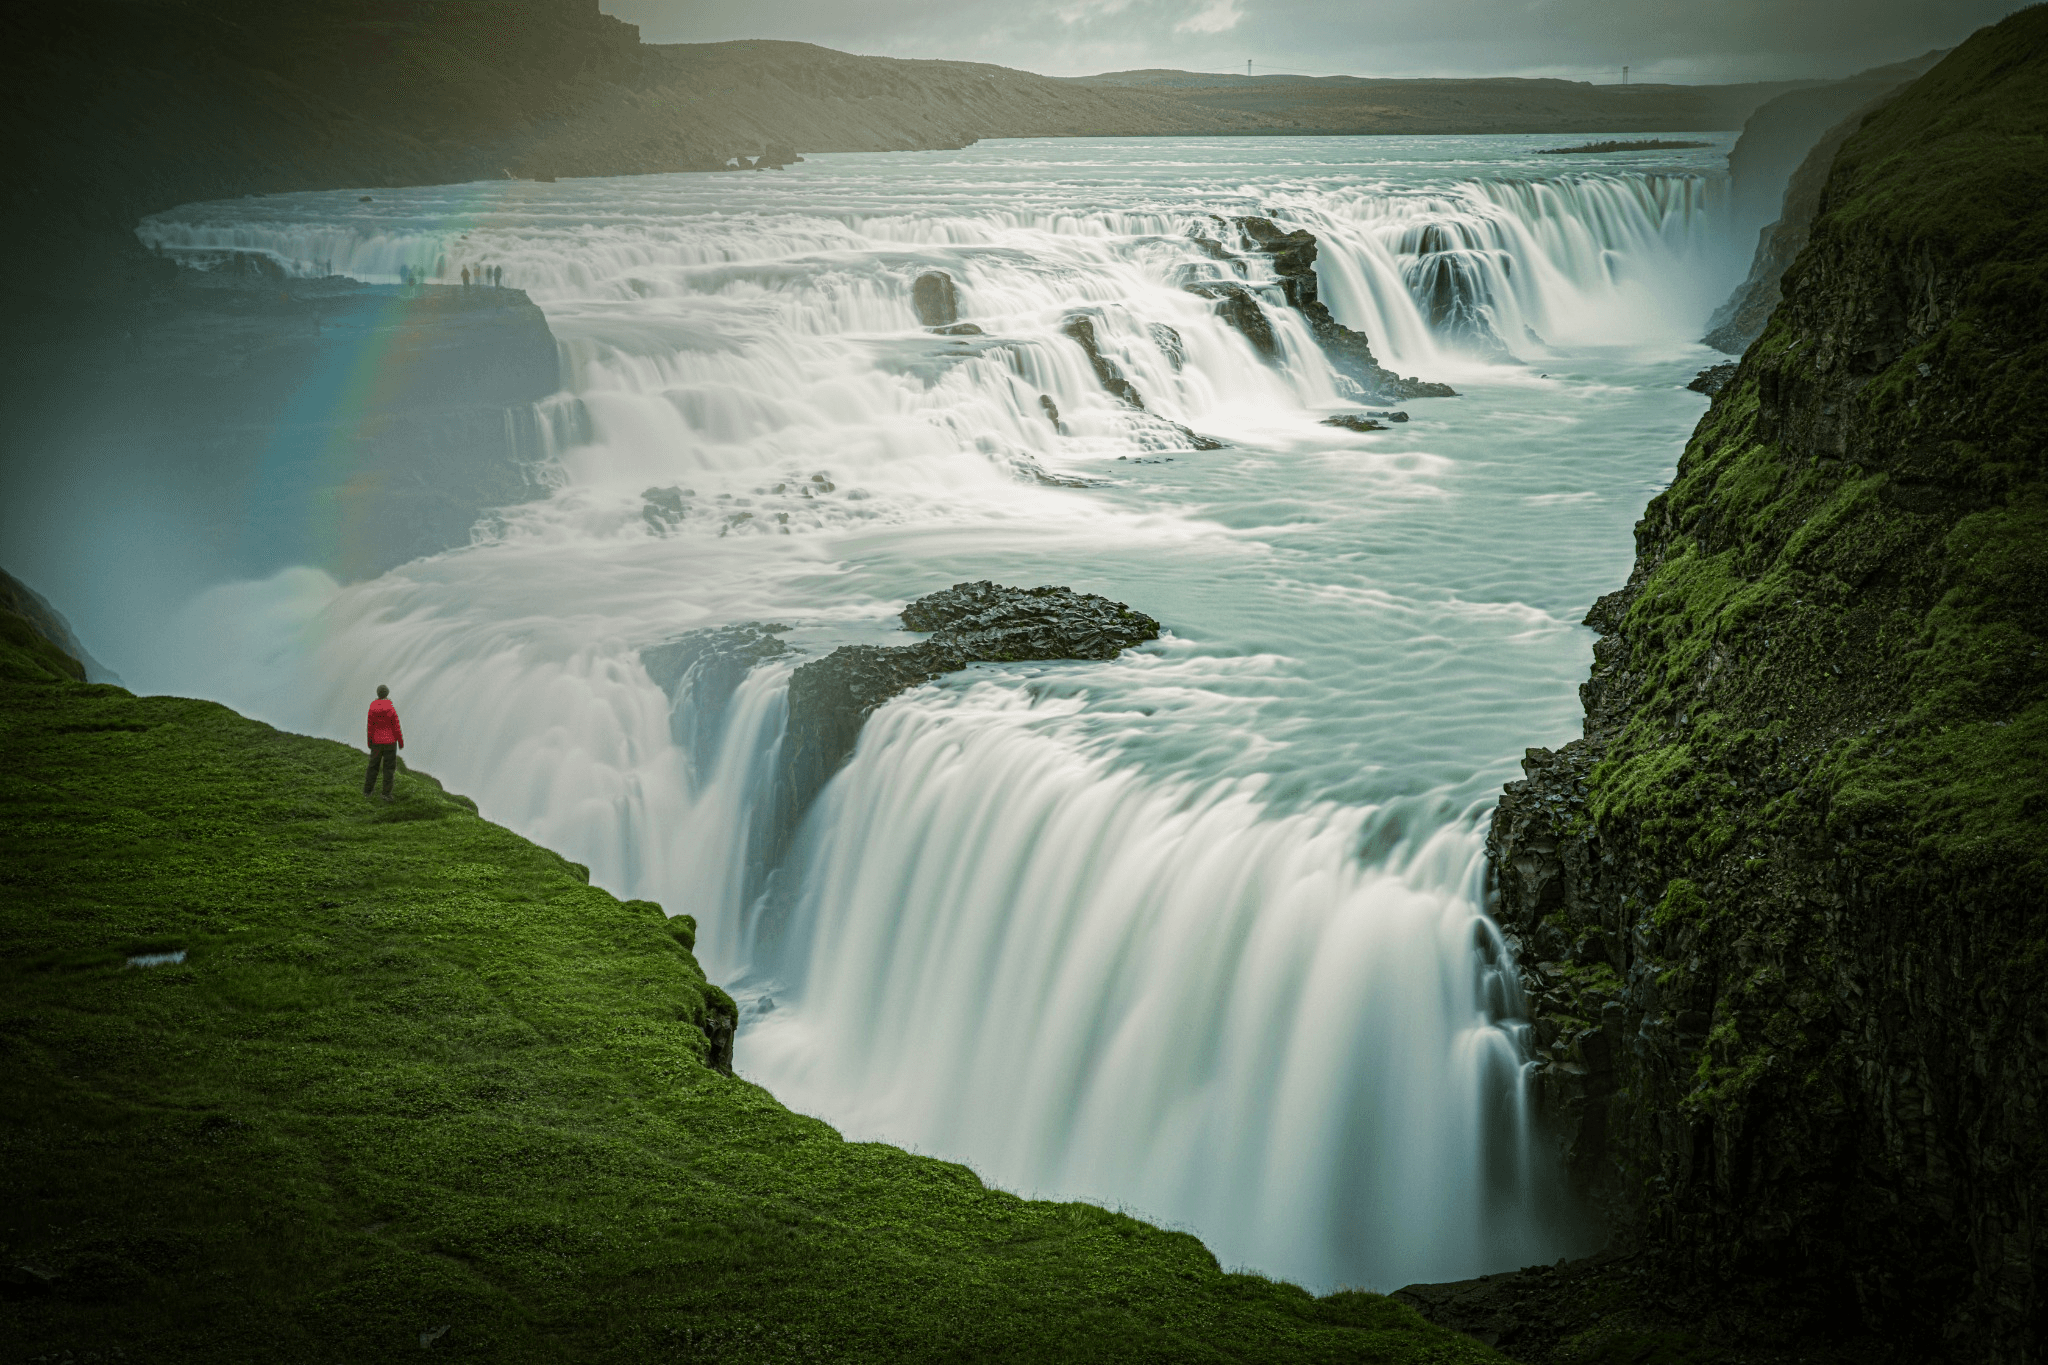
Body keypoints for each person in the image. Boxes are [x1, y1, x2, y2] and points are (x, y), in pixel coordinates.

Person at [364, 684, 404, 800]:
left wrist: (369, 742)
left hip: (376, 742)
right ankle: (386, 794)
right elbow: (396, 727)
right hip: (390, 743)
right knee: (389, 769)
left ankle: (367, 791)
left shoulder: (372, 707)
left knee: (373, 766)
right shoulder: (391, 708)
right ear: (387, 694)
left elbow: (370, 727)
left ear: (378, 694)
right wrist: (400, 742)